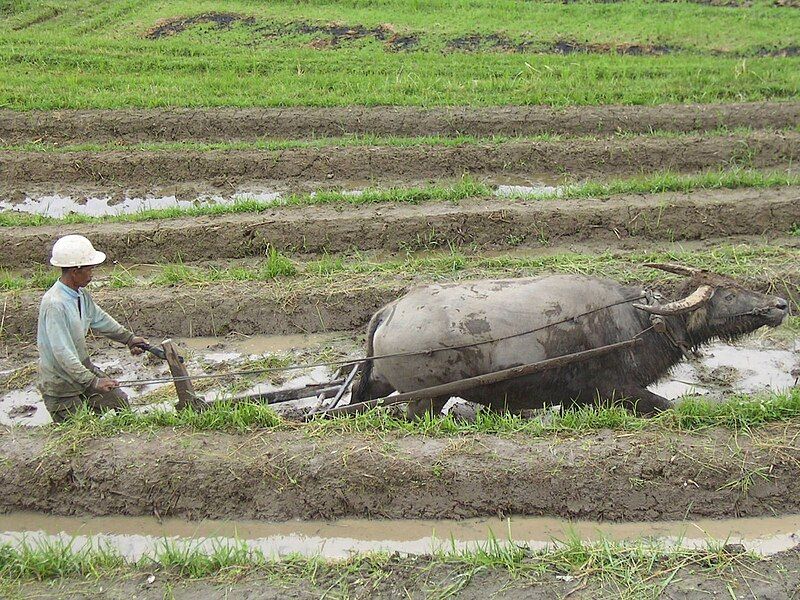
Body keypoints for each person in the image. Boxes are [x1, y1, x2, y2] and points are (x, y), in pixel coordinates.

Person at [37, 235, 147, 423]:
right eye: (89, 269)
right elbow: (62, 352)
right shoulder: (55, 304)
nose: (92, 274)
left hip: (81, 369)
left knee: (119, 401)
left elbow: (100, 319)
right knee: (82, 429)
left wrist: (128, 339)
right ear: (74, 271)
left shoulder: (80, 295)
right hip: (61, 382)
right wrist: (93, 381)